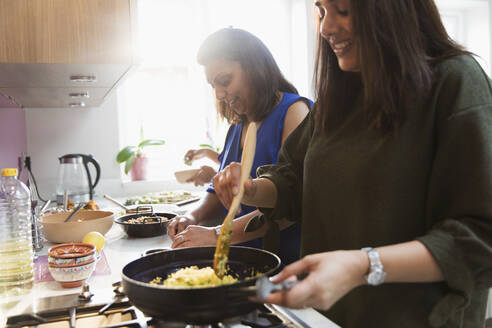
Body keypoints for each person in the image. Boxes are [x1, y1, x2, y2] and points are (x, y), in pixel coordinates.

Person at [212, 1, 492, 327]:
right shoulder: (340, 92)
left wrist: (363, 265)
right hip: (328, 317)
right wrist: (251, 189)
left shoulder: (455, 82)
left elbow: (480, 235)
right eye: (322, 10)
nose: (325, 28)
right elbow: (294, 178)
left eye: (343, 9)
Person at [167, 27, 313, 265]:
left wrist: (217, 235)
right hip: (240, 263)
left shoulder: (294, 112)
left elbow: (292, 203)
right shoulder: (238, 124)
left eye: (224, 81)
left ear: (256, 68)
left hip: (284, 266)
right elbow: (218, 193)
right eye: (212, 85)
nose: (218, 93)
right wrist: (192, 216)